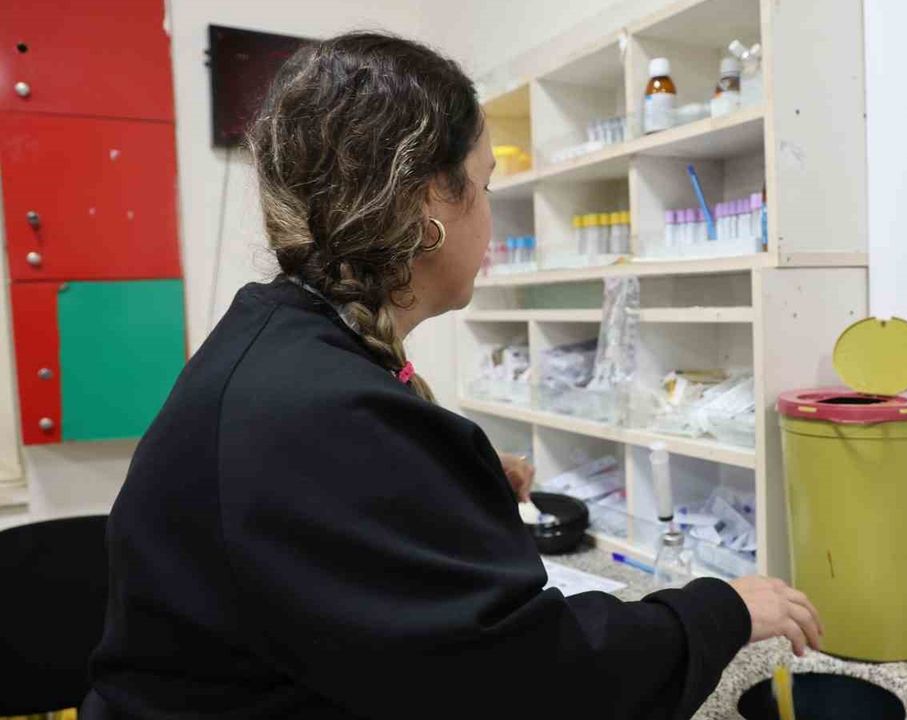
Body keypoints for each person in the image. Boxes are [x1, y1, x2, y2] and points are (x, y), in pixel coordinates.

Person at [84, 32, 821, 719]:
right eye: (485, 184)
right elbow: (537, 684)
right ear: (427, 201)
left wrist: (436, 486)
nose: (489, 217)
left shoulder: (283, 344)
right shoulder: (320, 415)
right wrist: (719, 611)